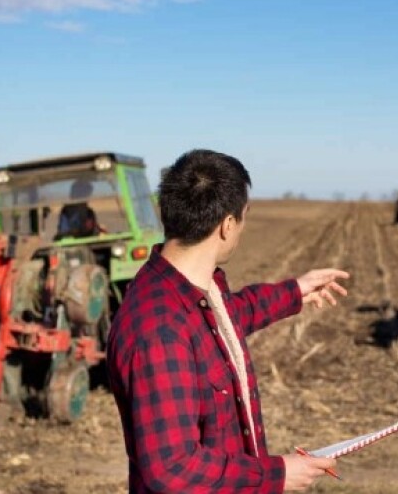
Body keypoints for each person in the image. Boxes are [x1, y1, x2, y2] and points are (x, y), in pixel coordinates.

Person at [107, 149, 349, 493]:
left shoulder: (191, 295)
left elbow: (232, 316)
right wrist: (278, 474)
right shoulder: (159, 331)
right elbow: (174, 469)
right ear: (227, 225)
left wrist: (295, 292)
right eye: (243, 217)